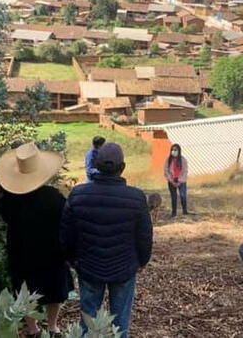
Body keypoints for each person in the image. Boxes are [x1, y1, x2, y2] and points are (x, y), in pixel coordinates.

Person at [61, 143, 153, 338]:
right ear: (122, 168)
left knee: (88, 323)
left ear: (96, 165)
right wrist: (142, 261)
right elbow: (144, 235)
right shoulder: (136, 198)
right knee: (119, 325)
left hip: (88, 266)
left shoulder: (78, 194)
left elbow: (67, 232)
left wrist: (71, 259)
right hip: (124, 267)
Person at [0, 142, 72, 337]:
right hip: (52, 251)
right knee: (55, 290)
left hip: (21, 251)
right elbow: (66, 221)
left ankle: (32, 329)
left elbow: (4, 216)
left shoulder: (8, 199)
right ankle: (53, 327)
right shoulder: (54, 197)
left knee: (25, 290)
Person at [164, 143, 188, 217]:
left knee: (183, 196)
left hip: (181, 181)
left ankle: (185, 211)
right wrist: (171, 180)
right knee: (174, 197)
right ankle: (174, 213)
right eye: (172, 150)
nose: (173, 151)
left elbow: (185, 171)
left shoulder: (183, 160)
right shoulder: (168, 160)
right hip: (172, 180)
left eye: (175, 150)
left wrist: (180, 181)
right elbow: (166, 171)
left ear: (179, 151)